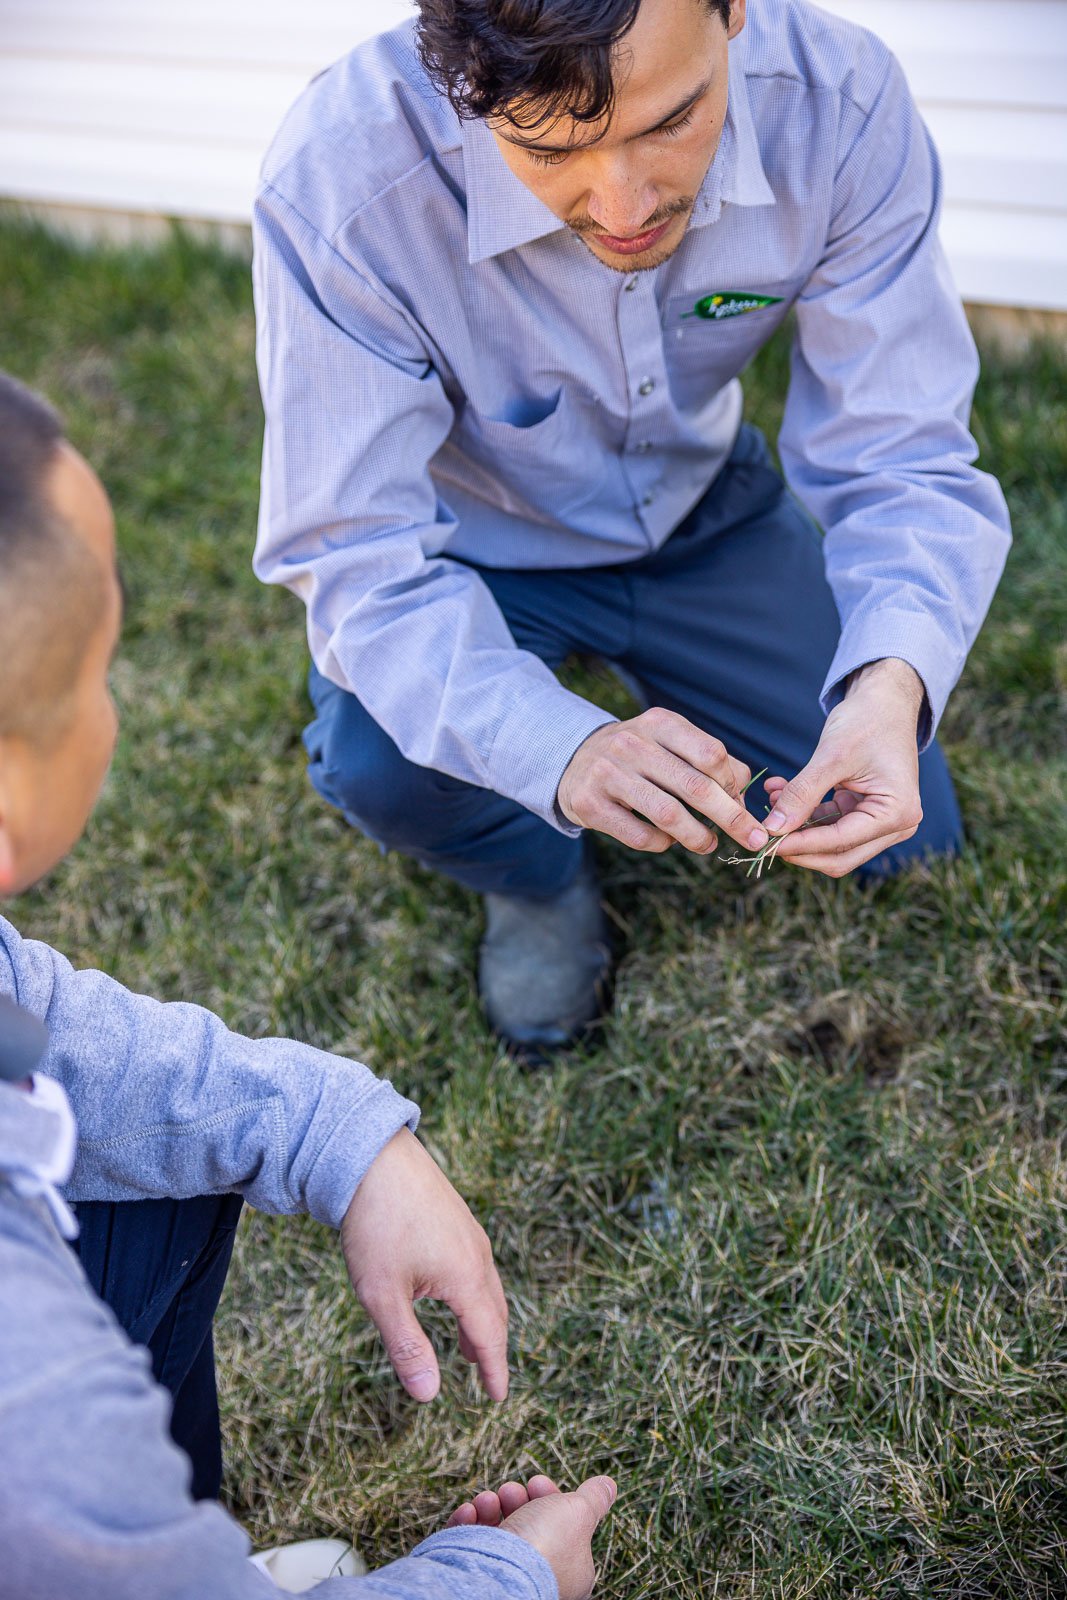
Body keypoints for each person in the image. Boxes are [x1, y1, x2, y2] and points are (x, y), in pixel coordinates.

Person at [251, 0, 1011, 1059]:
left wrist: (889, 684)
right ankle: (533, 878)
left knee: (900, 834)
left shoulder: (839, 103)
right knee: (381, 762)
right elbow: (352, 555)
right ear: (461, 82)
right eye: (550, 148)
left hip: (706, 510)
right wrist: (558, 750)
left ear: (732, 12)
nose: (623, 205)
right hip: (475, 546)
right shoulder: (341, 177)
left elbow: (901, 452)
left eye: (669, 121)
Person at [0, 370, 616, 1598]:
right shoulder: (29, 1386)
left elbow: (49, 1036)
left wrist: (342, 1134)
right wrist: (506, 1575)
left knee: (130, 1170)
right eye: (101, 669)